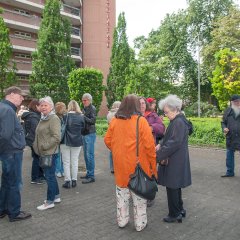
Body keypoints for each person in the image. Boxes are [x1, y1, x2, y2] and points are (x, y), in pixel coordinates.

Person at [104, 94, 157, 232]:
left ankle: (122, 221)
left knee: (122, 195)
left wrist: (117, 151)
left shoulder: (115, 121)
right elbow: (150, 147)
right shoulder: (141, 121)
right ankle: (140, 224)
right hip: (138, 167)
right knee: (139, 198)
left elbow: (107, 140)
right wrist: (153, 169)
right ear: (136, 106)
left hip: (120, 167)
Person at [156, 94, 191, 223]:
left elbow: (174, 143)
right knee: (175, 186)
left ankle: (174, 214)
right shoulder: (177, 120)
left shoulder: (178, 122)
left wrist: (158, 156)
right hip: (176, 159)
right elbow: (169, 139)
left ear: (175, 109)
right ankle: (180, 210)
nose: (165, 115)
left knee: (172, 187)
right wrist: (160, 145)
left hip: (175, 160)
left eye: (166, 112)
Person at [0, 86, 32, 222]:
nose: (22, 98)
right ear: (11, 94)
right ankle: (14, 212)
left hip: (8, 152)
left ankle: (3, 209)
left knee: (7, 181)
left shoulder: (4, 107)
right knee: (13, 182)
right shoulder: (8, 110)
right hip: (11, 152)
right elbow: (5, 135)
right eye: (20, 96)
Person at [33, 96, 61, 210]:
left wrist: (44, 146)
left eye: (46, 105)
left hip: (49, 152)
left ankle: (50, 202)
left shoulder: (53, 118)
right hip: (44, 152)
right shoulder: (44, 117)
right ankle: (56, 196)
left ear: (51, 106)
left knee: (49, 177)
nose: (43, 107)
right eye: (41, 105)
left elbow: (56, 137)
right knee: (51, 176)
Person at [61, 100, 85, 188]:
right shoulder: (81, 116)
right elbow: (83, 129)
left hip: (65, 141)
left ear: (69, 106)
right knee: (75, 161)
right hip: (77, 141)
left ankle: (67, 181)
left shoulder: (65, 116)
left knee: (66, 162)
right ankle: (74, 180)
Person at [21, 99, 45, 184]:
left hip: (32, 139)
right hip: (34, 140)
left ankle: (40, 176)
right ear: (36, 106)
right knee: (37, 159)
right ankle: (35, 178)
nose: (42, 107)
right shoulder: (34, 116)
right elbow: (36, 130)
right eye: (40, 106)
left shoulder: (31, 115)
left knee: (37, 158)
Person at [221, 94, 240, 177]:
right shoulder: (227, 111)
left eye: (239, 101)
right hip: (230, 137)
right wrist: (224, 128)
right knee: (229, 156)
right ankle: (230, 172)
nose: (238, 103)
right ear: (231, 102)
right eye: (236, 102)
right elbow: (223, 122)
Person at [81, 93, 97, 184]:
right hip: (84, 133)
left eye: (85, 100)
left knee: (89, 155)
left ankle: (91, 176)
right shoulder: (85, 108)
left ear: (89, 100)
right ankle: (88, 173)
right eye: (83, 100)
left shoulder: (92, 108)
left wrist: (83, 116)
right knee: (86, 155)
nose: (83, 101)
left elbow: (93, 121)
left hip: (90, 134)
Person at [106, 101, 121, 173]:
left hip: (111, 133)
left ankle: (112, 168)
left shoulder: (109, 113)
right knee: (119, 151)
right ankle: (117, 166)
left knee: (111, 151)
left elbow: (108, 123)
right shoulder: (119, 113)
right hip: (118, 134)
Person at [55, 102, 67, 178]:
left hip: (61, 139)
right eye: (63, 108)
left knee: (62, 155)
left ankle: (62, 170)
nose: (65, 109)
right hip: (57, 139)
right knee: (58, 155)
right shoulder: (56, 117)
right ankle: (58, 171)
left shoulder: (63, 116)